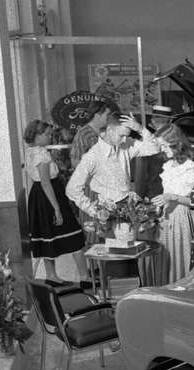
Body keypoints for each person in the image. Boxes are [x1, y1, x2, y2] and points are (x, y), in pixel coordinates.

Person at [23, 120, 91, 287]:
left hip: (39, 196)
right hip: (49, 196)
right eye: (46, 134)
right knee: (74, 233)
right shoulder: (41, 155)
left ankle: (52, 275)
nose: (49, 137)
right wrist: (57, 209)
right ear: (37, 136)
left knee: (47, 235)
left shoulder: (31, 151)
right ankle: (84, 276)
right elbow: (46, 183)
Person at [66, 113, 160, 229]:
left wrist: (140, 129)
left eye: (126, 135)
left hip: (131, 208)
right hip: (108, 214)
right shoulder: (92, 156)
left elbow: (155, 148)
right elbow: (71, 189)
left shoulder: (126, 144)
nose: (124, 139)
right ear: (109, 130)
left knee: (134, 244)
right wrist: (93, 210)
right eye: (121, 135)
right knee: (112, 246)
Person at [155, 123, 194, 282]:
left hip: (183, 220)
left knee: (182, 260)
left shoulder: (191, 168)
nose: (162, 149)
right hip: (166, 221)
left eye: (164, 145)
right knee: (168, 261)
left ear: (175, 143)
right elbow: (166, 195)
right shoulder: (168, 166)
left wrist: (172, 197)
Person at [69, 100, 113, 172]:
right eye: (107, 115)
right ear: (97, 116)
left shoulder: (107, 131)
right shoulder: (83, 134)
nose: (109, 118)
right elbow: (75, 162)